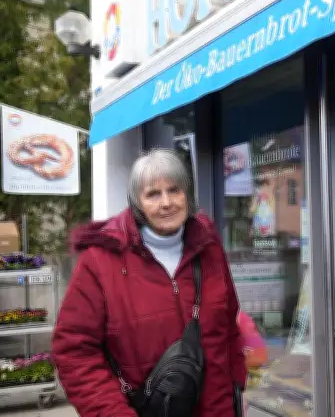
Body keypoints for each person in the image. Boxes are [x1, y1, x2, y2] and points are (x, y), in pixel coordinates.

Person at [52, 149, 246, 417]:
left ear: (187, 195)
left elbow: (228, 329)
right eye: (153, 194)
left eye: (174, 190)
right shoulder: (100, 261)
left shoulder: (208, 248)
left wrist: (237, 387)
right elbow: (74, 352)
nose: (166, 203)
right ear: (137, 203)